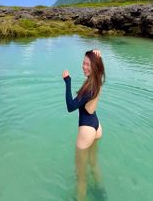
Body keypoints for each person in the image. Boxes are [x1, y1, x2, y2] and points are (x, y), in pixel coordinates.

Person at [62, 49, 106, 200]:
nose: (84, 67)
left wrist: (67, 82)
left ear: (95, 66)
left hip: (87, 130)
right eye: (84, 63)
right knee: (93, 165)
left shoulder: (89, 88)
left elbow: (70, 106)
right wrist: (98, 55)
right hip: (96, 126)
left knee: (81, 177)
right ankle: (101, 194)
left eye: (88, 64)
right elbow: (99, 68)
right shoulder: (97, 79)